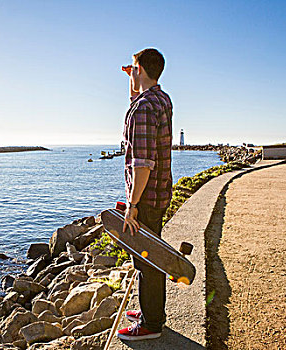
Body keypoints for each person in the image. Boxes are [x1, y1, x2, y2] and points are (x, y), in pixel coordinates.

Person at [117, 48, 173, 340]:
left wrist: (132, 205)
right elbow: (135, 100)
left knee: (147, 259)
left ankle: (152, 323)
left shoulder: (143, 109)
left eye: (134, 67)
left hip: (146, 197)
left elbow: (142, 163)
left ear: (140, 69)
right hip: (161, 193)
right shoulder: (161, 99)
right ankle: (153, 310)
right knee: (153, 254)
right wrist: (133, 79)